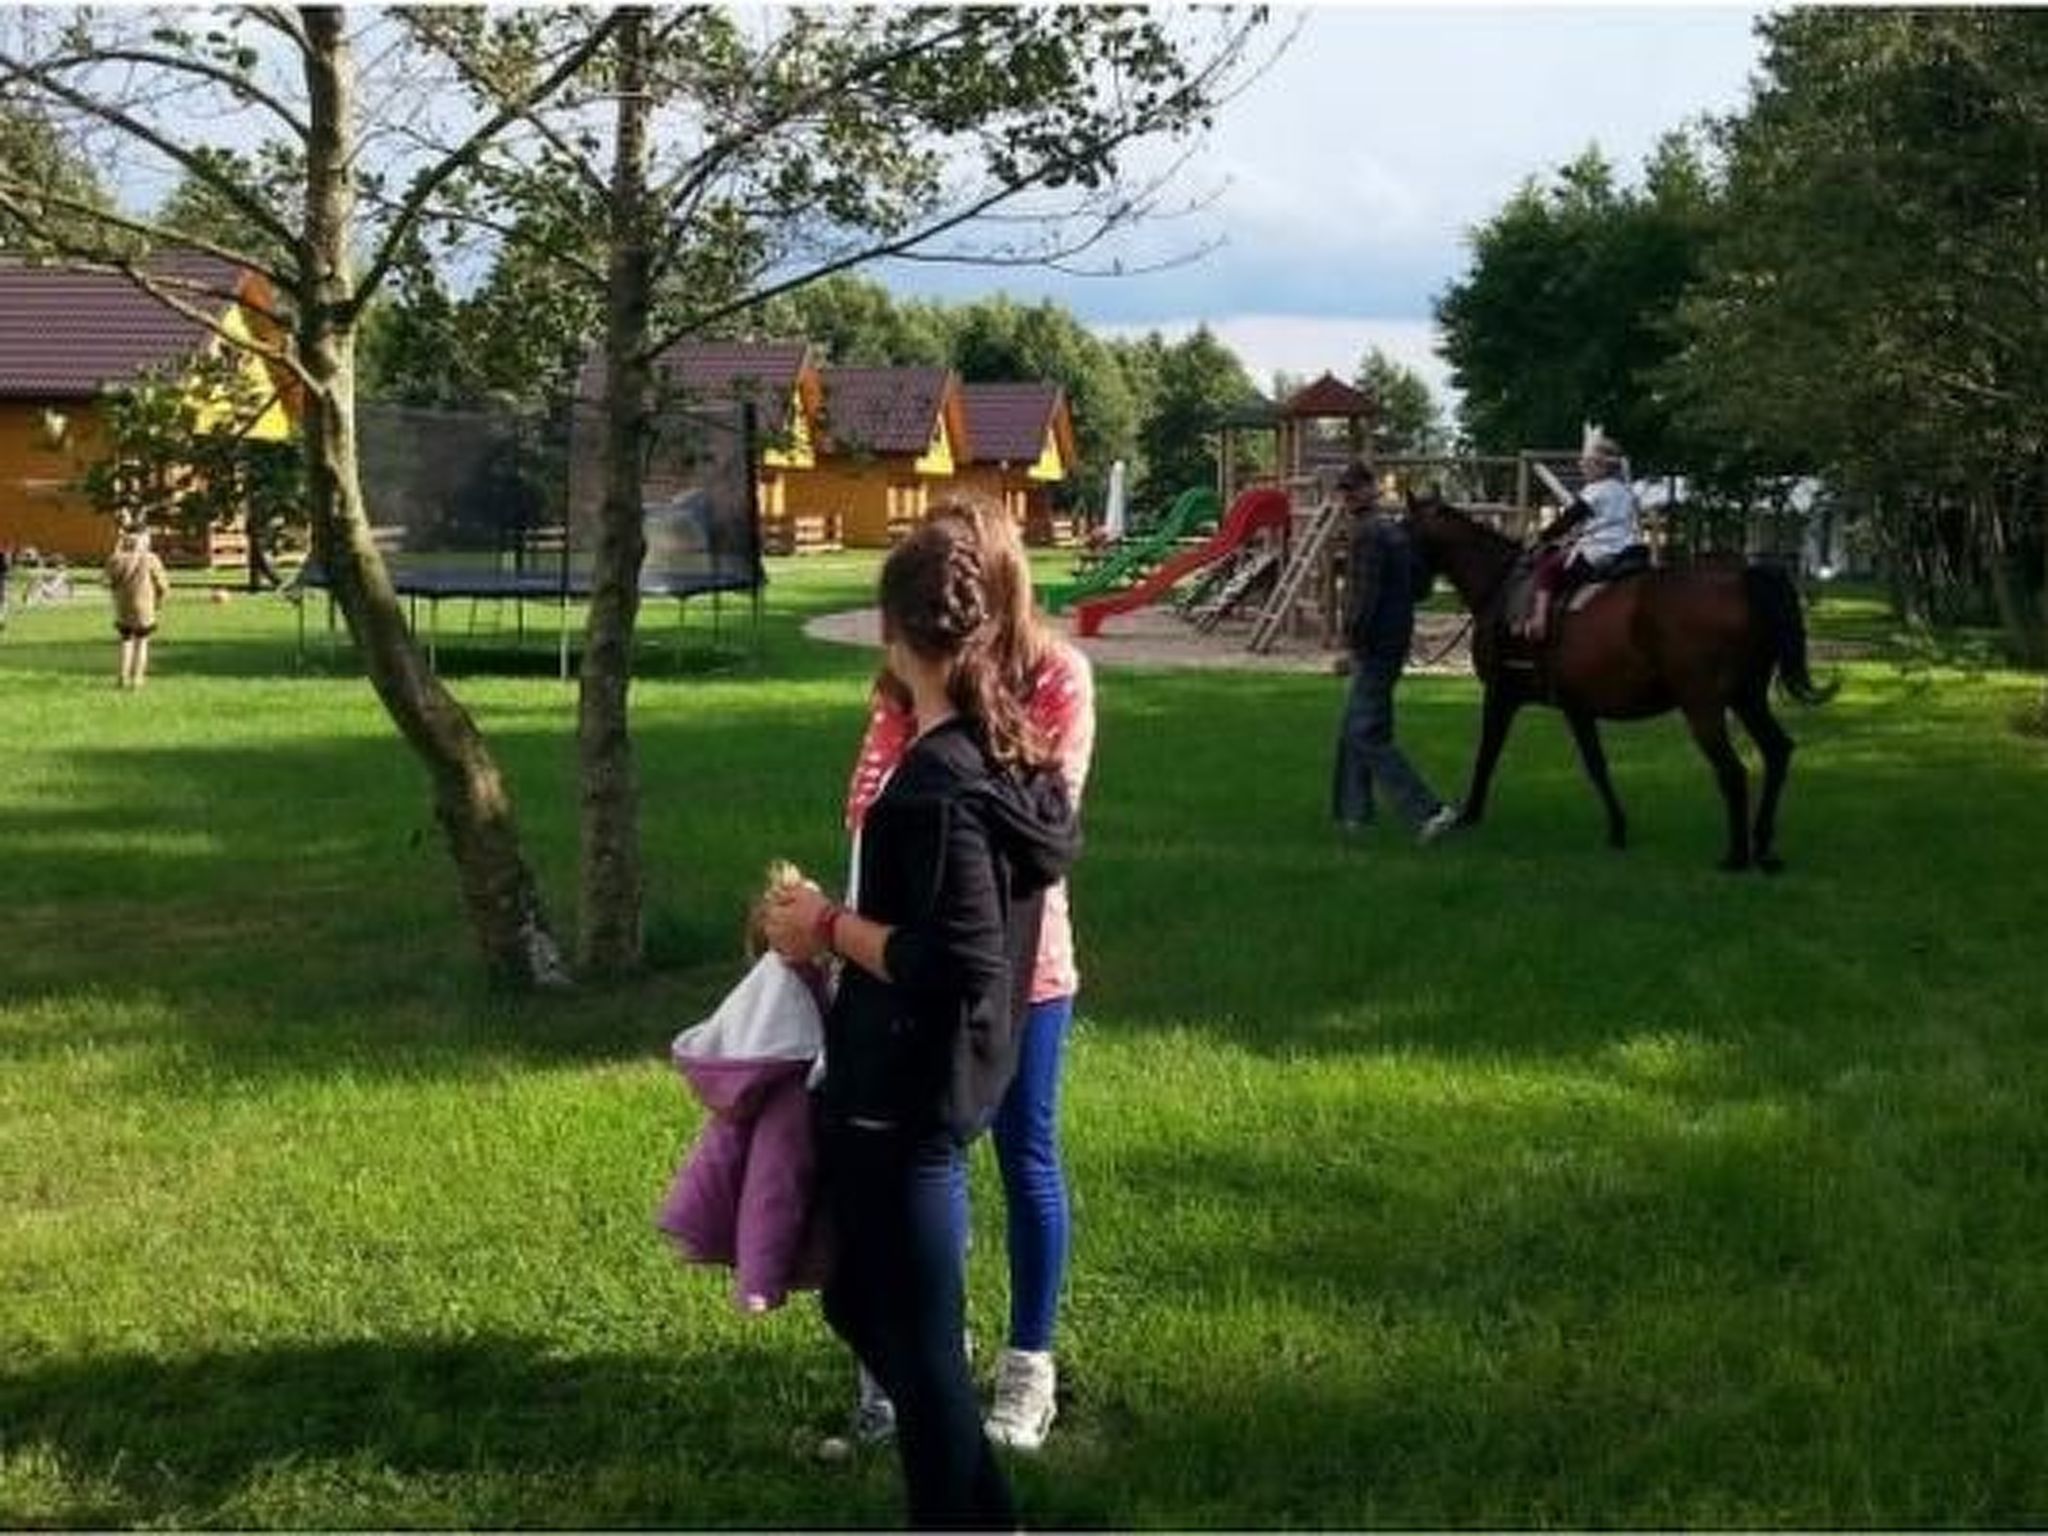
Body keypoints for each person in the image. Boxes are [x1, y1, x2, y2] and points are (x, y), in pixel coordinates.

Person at [763, 517, 1079, 1530]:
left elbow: (953, 958)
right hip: (938, 1084)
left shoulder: (939, 784)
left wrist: (825, 926)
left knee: (922, 1353)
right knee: (866, 1306)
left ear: (899, 635)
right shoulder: (1002, 761)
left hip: (901, 1099)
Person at [838, 497, 1096, 1455]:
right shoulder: (902, 688)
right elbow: (869, 811)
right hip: (897, 974)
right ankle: (916, 1370)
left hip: (1021, 974)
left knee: (1022, 1157)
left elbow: (1039, 843)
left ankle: (1026, 1369)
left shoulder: (1054, 677)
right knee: (913, 1166)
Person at [1331, 461, 1459, 845]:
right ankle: (1354, 815)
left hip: (1375, 644)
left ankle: (1429, 811)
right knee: (1360, 726)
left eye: (1355, 488)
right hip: (1394, 639)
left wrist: (1350, 645)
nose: (1349, 495)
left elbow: (1363, 598)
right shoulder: (1395, 532)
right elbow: (1420, 588)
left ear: (1372, 489)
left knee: (1363, 733)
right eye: (1344, 489)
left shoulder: (1367, 534)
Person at [1518, 427, 1647, 643]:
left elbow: (1569, 519)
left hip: (1598, 551)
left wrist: (1541, 539)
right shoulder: (1626, 490)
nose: (1581, 466)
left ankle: (1539, 620)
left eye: (1586, 463)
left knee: (1547, 569)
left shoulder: (1594, 491)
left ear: (1600, 466)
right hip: (1628, 549)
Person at [104, 527, 170, 689]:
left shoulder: (116, 559)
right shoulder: (151, 559)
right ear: (144, 540)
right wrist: (159, 602)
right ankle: (137, 679)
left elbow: (105, 582)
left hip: (123, 606)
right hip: (145, 606)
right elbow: (162, 585)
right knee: (142, 642)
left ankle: (122, 677)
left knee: (125, 641)